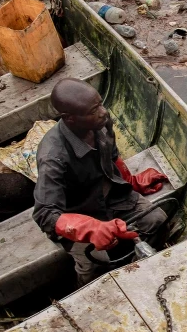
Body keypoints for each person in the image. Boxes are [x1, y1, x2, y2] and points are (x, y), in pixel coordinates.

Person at [32, 78, 169, 283]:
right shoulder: (53, 156)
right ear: (70, 118)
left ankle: (134, 266)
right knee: (95, 265)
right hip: (77, 213)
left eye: (100, 103)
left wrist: (131, 181)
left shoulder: (101, 122)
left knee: (157, 219)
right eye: (93, 110)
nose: (103, 112)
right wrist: (90, 228)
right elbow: (45, 214)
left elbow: (113, 157)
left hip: (110, 196)